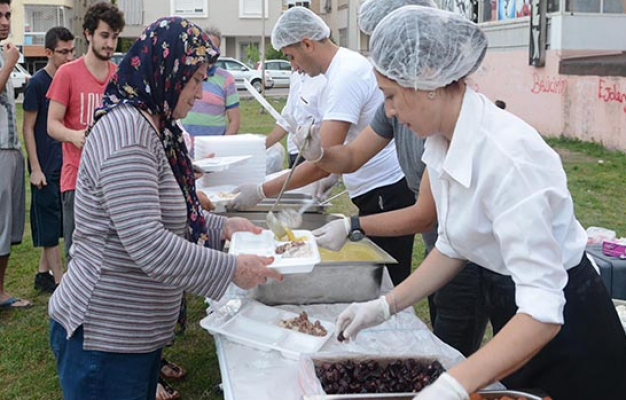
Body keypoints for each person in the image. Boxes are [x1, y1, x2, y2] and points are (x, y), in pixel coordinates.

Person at [333, 6, 626, 400]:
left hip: (570, 331)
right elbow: (454, 244)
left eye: (391, 96)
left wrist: (456, 383)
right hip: (516, 316)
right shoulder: (440, 143)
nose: (389, 111)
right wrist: (385, 306)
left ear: (429, 80)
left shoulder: (510, 159)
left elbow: (542, 312)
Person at [48, 16, 283, 400]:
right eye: (193, 80)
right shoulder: (127, 135)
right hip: (105, 336)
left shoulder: (154, 125)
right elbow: (148, 243)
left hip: (132, 333)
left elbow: (165, 209)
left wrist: (221, 228)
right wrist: (231, 269)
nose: (200, 92)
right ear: (165, 71)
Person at [293, 0, 491, 358]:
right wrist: (318, 152)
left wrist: (352, 225)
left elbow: (425, 215)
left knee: (455, 345)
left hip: (476, 259)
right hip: (447, 244)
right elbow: (352, 156)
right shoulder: (412, 111)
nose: (388, 110)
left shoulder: (453, 130)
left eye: (389, 96)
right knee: (443, 338)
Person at [230, 7, 415, 286]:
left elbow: (321, 164)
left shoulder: (345, 76)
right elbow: (335, 156)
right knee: (383, 278)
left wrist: (261, 191)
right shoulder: (338, 70)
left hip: (385, 189)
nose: (293, 66)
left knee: (388, 280)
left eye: (291, 57)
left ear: (307, 44)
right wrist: (329, 172)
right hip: (372, 187)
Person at [47, 1, 125, 262]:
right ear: (88, 34)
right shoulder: (67, 73)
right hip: (77, 179)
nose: (110, 44)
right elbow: (52, 124)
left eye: (115, 37)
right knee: (78, 256)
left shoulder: (119, 76)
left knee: (111, 257)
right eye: (105, 35)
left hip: (114, 180)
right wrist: (75, 136)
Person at [22, 26, 75, 293]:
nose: (68, 57)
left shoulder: (69, 80)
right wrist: (35, 167)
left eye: (71, 51)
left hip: (64, 166)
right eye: (62, 52)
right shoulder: (37, 83)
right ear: (48, 53)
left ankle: (43, 274)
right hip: (44, 166)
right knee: (50, 226)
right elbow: (28, 127)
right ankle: (59, 282)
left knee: (57, 225)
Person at [0, 0, 31, 309]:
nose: (5, 21)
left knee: (8, 222)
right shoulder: (6, 57)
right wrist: (10, 62)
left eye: (7, 14)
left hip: (9, 149)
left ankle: (1, 289)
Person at [180, 27, 240, 156]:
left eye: (214, 49)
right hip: (185, 151)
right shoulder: (184, 75)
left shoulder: (226, 79)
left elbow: (234, 121)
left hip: (214, 154)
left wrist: (221, 148)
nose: (210, 52)